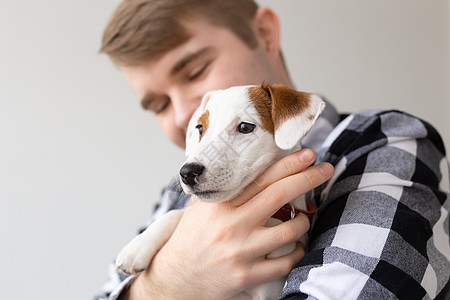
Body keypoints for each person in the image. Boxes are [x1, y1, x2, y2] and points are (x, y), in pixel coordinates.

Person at [94, 0, 450, 299]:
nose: (185, 113)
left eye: (196, 71)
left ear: (264, 34)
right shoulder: (174, 199)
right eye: (159, 105)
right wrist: (166, 284)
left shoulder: (383, 141)